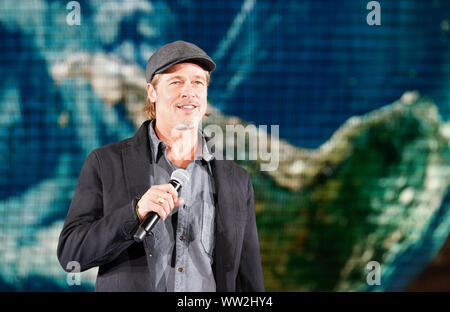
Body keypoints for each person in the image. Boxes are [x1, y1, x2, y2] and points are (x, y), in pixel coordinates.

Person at [57, 40, 265, 292]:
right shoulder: (105, 162)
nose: (189, 91)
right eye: (176, 82)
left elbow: (249, 281)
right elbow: (71, 256)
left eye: (198, 82)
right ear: (152, 92)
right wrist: (134, 213)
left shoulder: (237, 179)